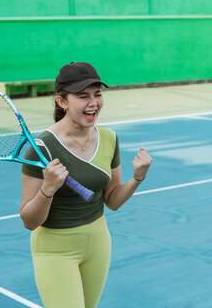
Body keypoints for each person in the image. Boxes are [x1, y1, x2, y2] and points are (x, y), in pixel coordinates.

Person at [19, 62, 152, 308]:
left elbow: (112, 200)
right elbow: (29, 221)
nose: (93, 102)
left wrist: (137, 178)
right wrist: (48, 189)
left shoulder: (110, 138)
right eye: (83, 96)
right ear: (62, 101)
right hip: (55, 250)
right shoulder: (41, 149)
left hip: (98, 243)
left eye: (97, 94)